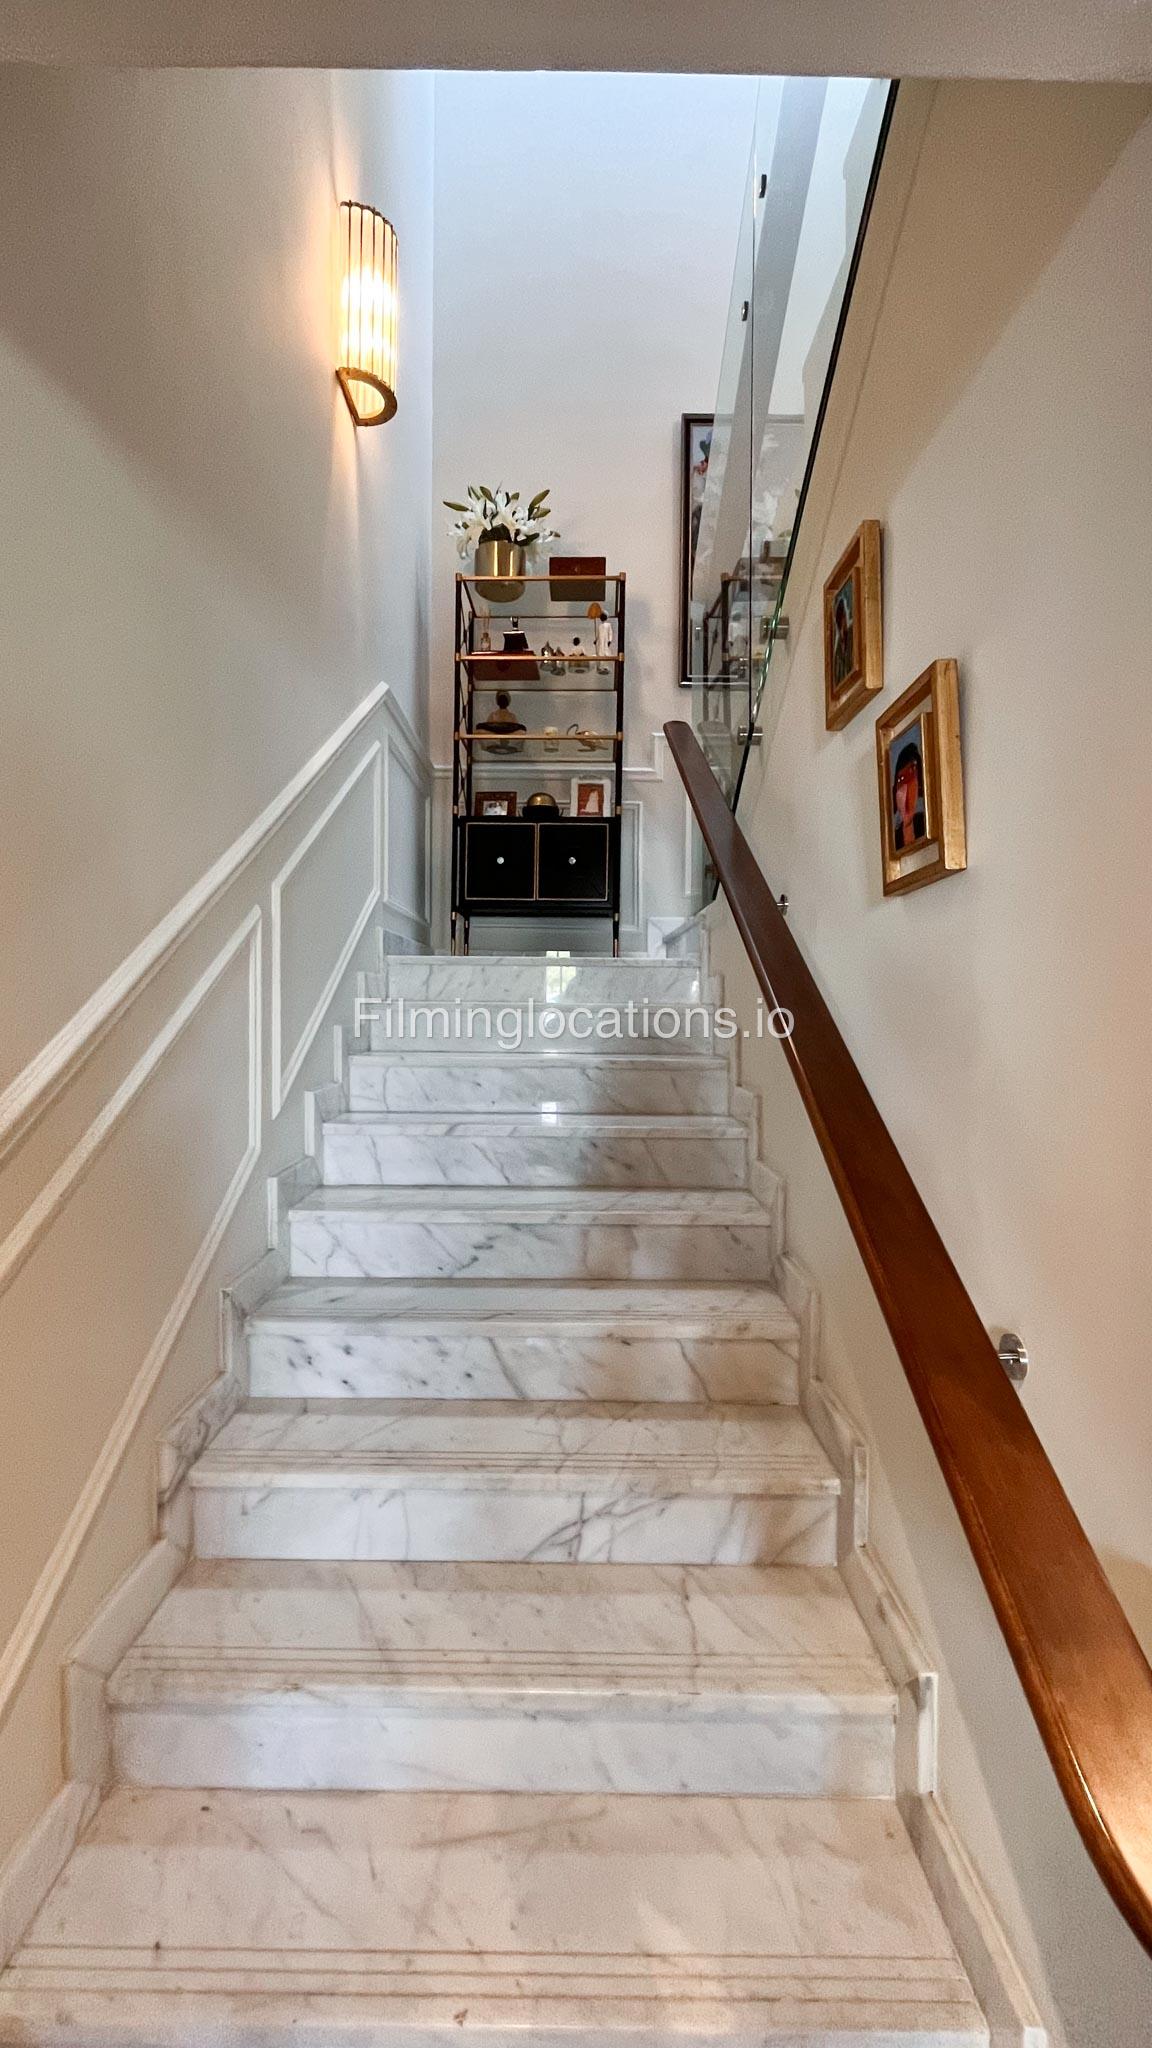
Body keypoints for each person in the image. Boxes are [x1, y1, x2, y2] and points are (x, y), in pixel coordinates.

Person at [892, 736, 927, 850]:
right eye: (901, 780)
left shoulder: (925, 825)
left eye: (911, 777)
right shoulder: (894, 839)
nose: (905, 790)